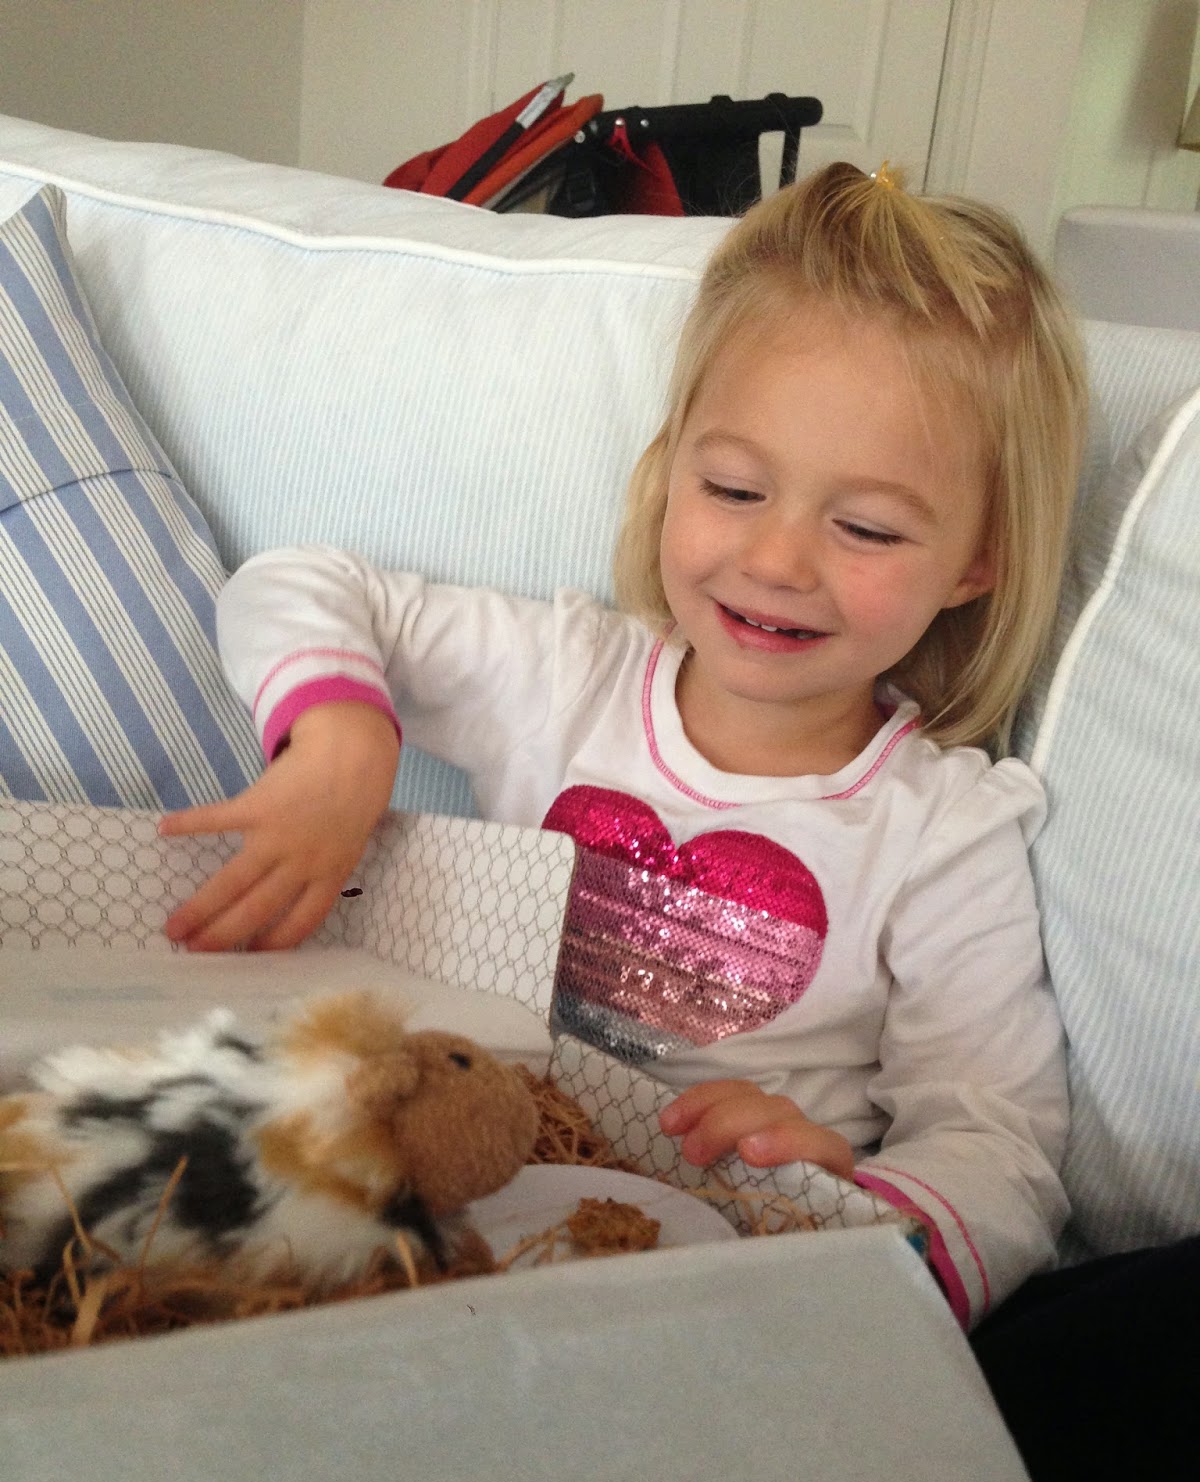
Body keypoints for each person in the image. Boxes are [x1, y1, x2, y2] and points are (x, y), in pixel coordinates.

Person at [160, 161, 1088, 1333]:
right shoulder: (567, 678)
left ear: (977, 559)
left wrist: (857, 1214)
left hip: (718, 1296)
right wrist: (339, 743)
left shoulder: (944, 833)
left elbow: (999, 1141)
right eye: (734, 488)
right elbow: (297, 584)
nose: (777, 561)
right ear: (671, 463)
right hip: (456, 1233)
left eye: (864, 527)